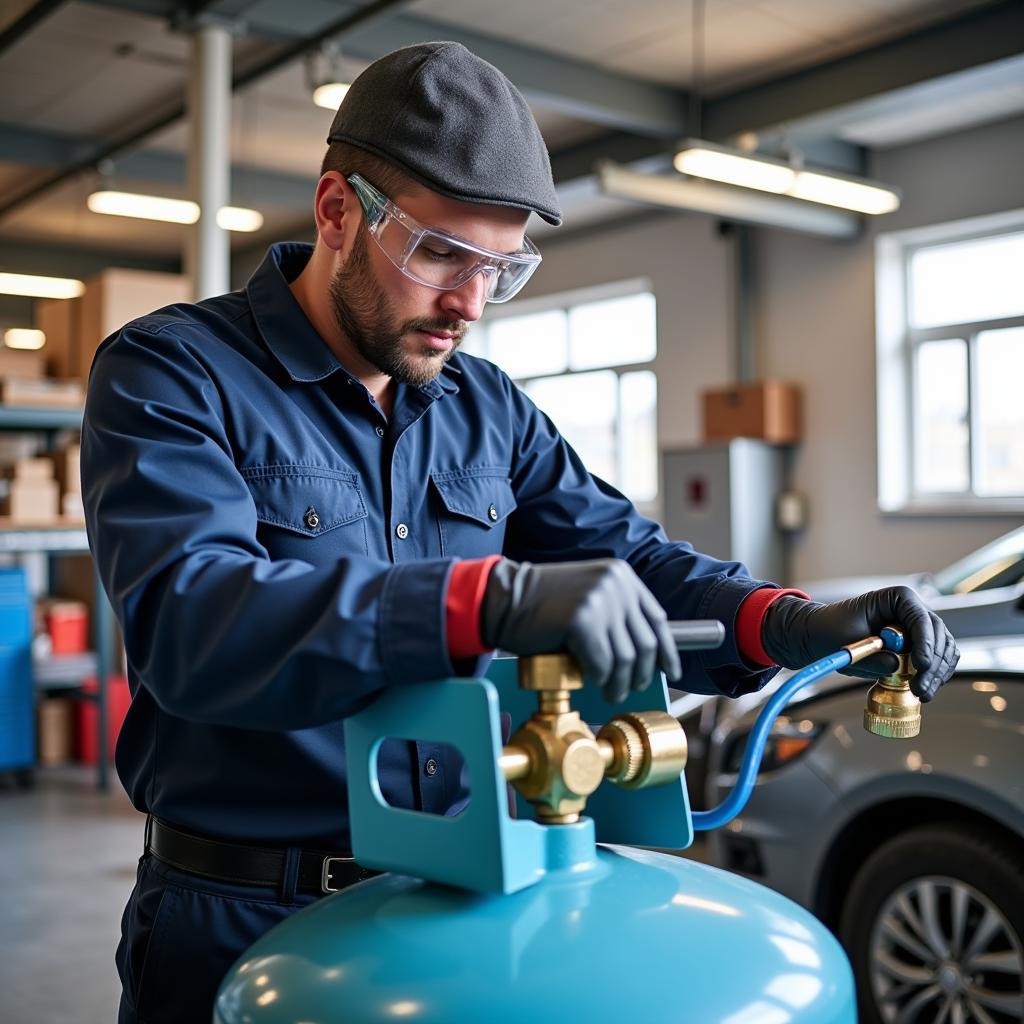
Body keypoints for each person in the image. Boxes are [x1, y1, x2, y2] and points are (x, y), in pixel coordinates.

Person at [81, 41, 959, 1024]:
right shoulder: (173, 375)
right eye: (440, 253)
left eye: (500, 267)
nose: (469, 302)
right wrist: (481, 599)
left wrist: (788, 621)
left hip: (464, 908)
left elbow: (630, 559)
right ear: (336, 211)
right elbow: (194, 621)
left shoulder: (486, 408)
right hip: (240, 915)